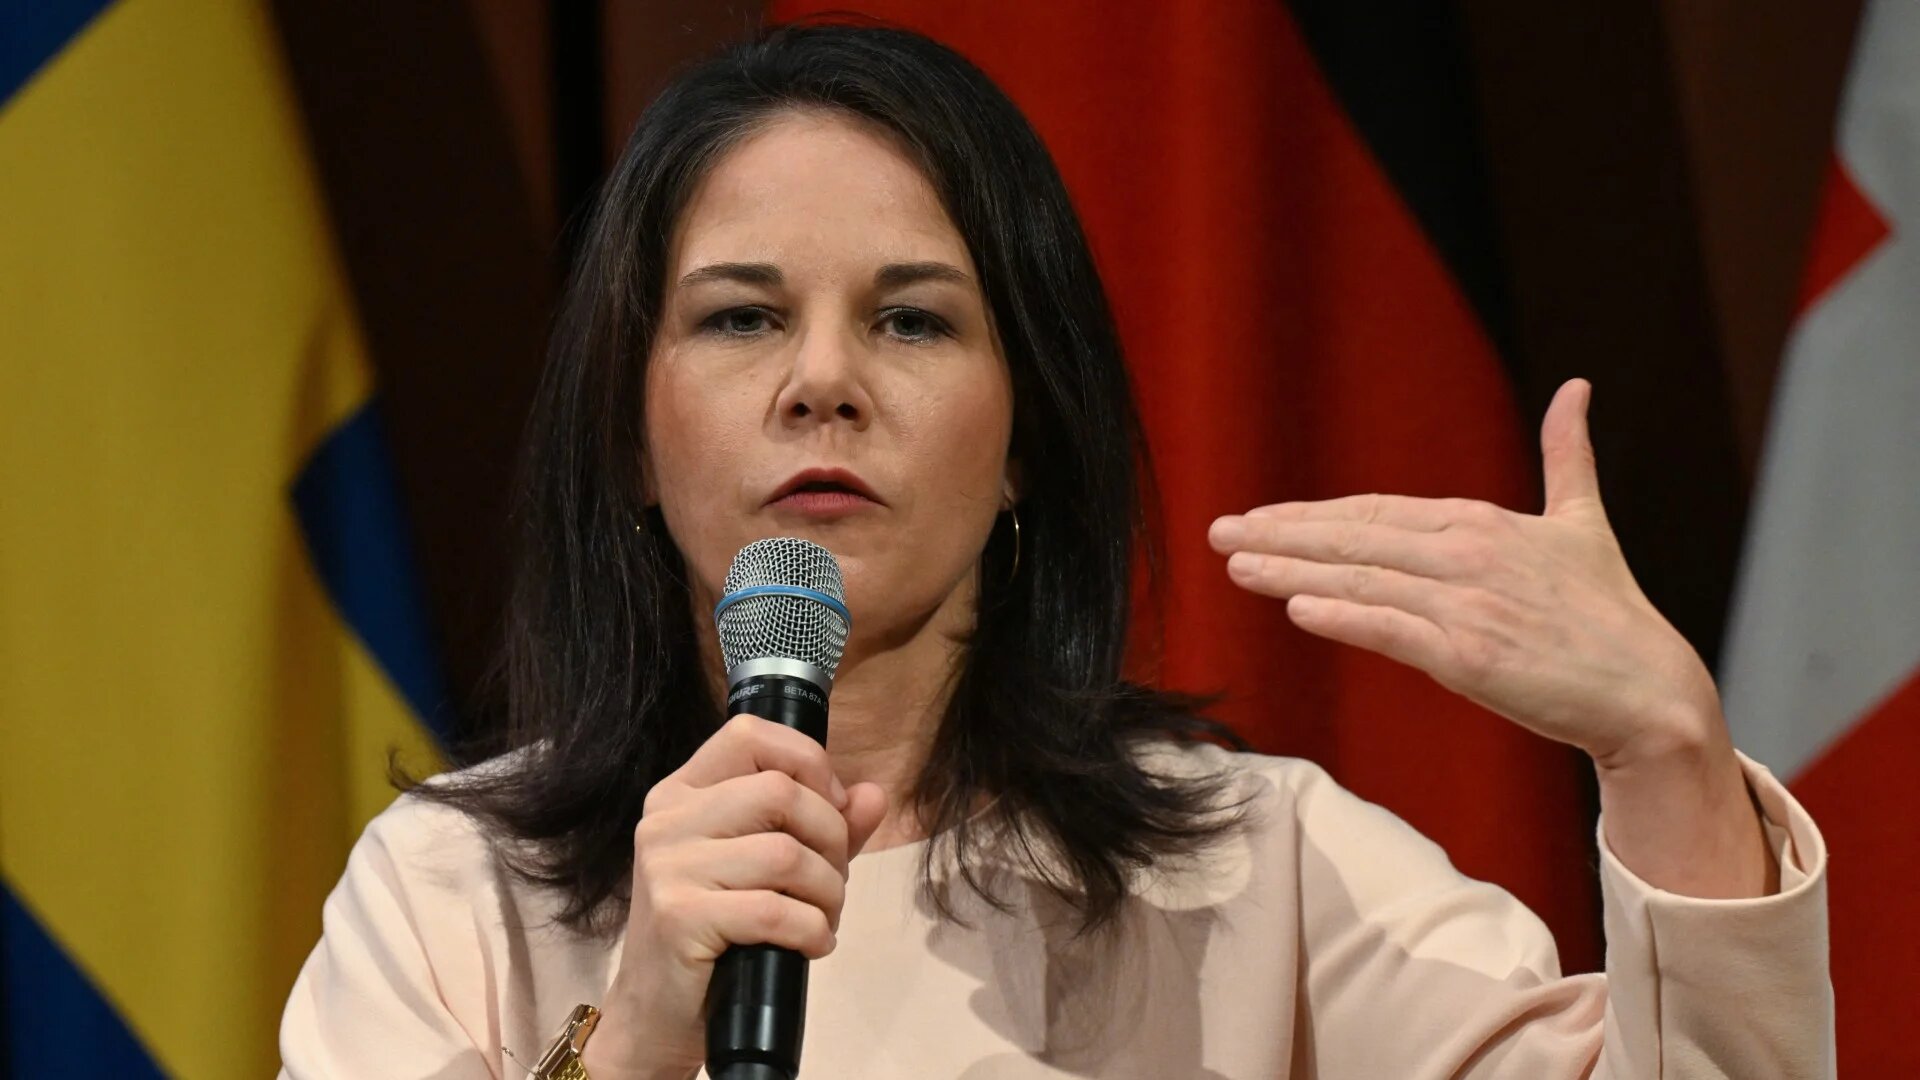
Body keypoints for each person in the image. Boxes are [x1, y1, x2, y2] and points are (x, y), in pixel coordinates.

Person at [278, 19, 1831, 1080]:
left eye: (912, 318)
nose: (822, 380)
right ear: (630, 429)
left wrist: (1667, 759)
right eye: (743, 316)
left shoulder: (1254, 869)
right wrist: (636, 1043)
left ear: (1025, 434)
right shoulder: (450, 892)